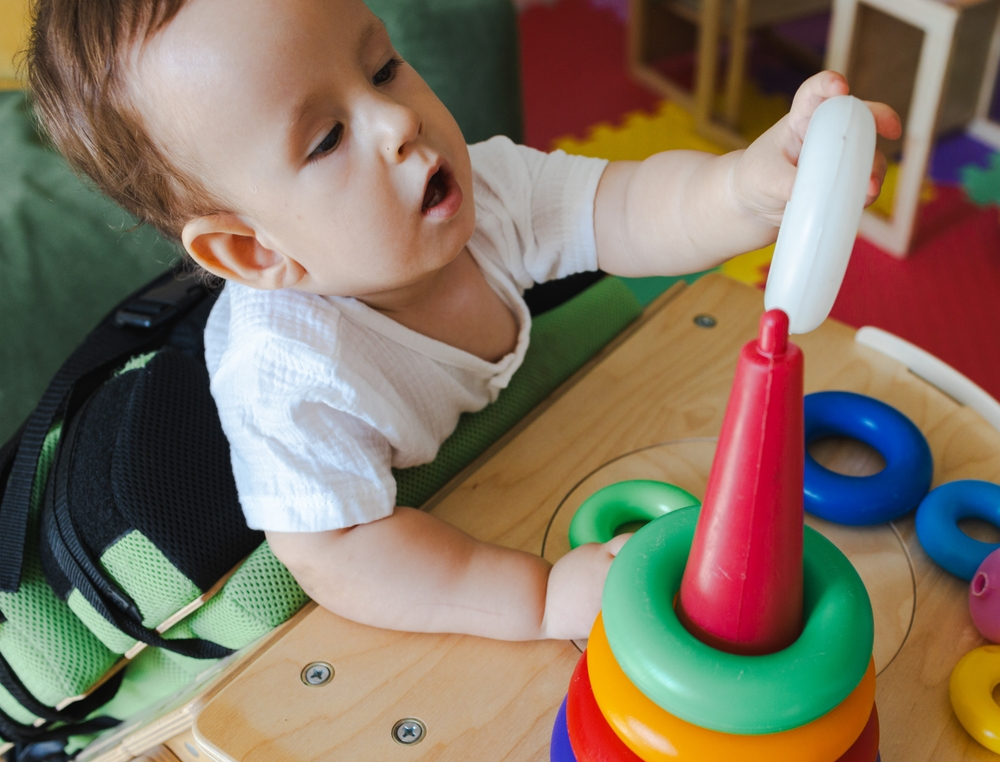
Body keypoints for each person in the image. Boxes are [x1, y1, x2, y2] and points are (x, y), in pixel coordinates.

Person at [27, 0, 900, 642]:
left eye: (381, 69)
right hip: (266, 521)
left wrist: (750, 186)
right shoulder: (290, 377)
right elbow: (342, 551)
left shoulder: (480, 193)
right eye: (327, 139)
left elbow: (629, 208)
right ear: (257, 256)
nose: (400, 121)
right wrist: (538, 598)